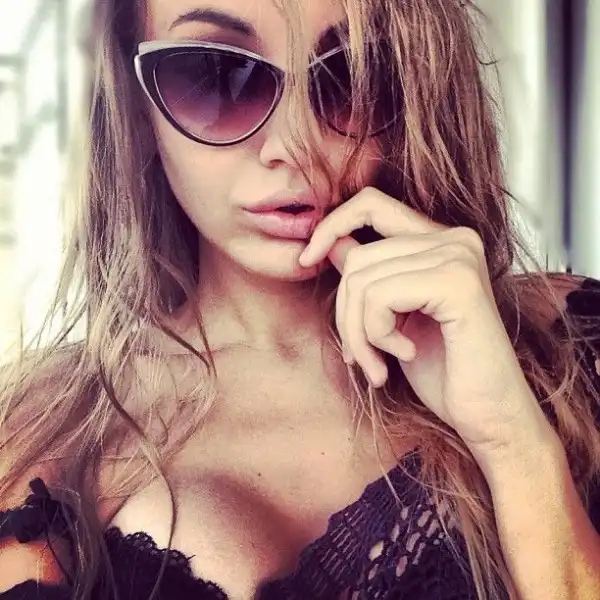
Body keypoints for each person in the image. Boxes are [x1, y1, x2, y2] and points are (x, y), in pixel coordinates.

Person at [0, 0, 599, 599]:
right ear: (138, 109)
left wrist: (512, 440)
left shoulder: (572, 343)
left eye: (350, 75)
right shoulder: (46, 434)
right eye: (215, 75)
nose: (296, 144)